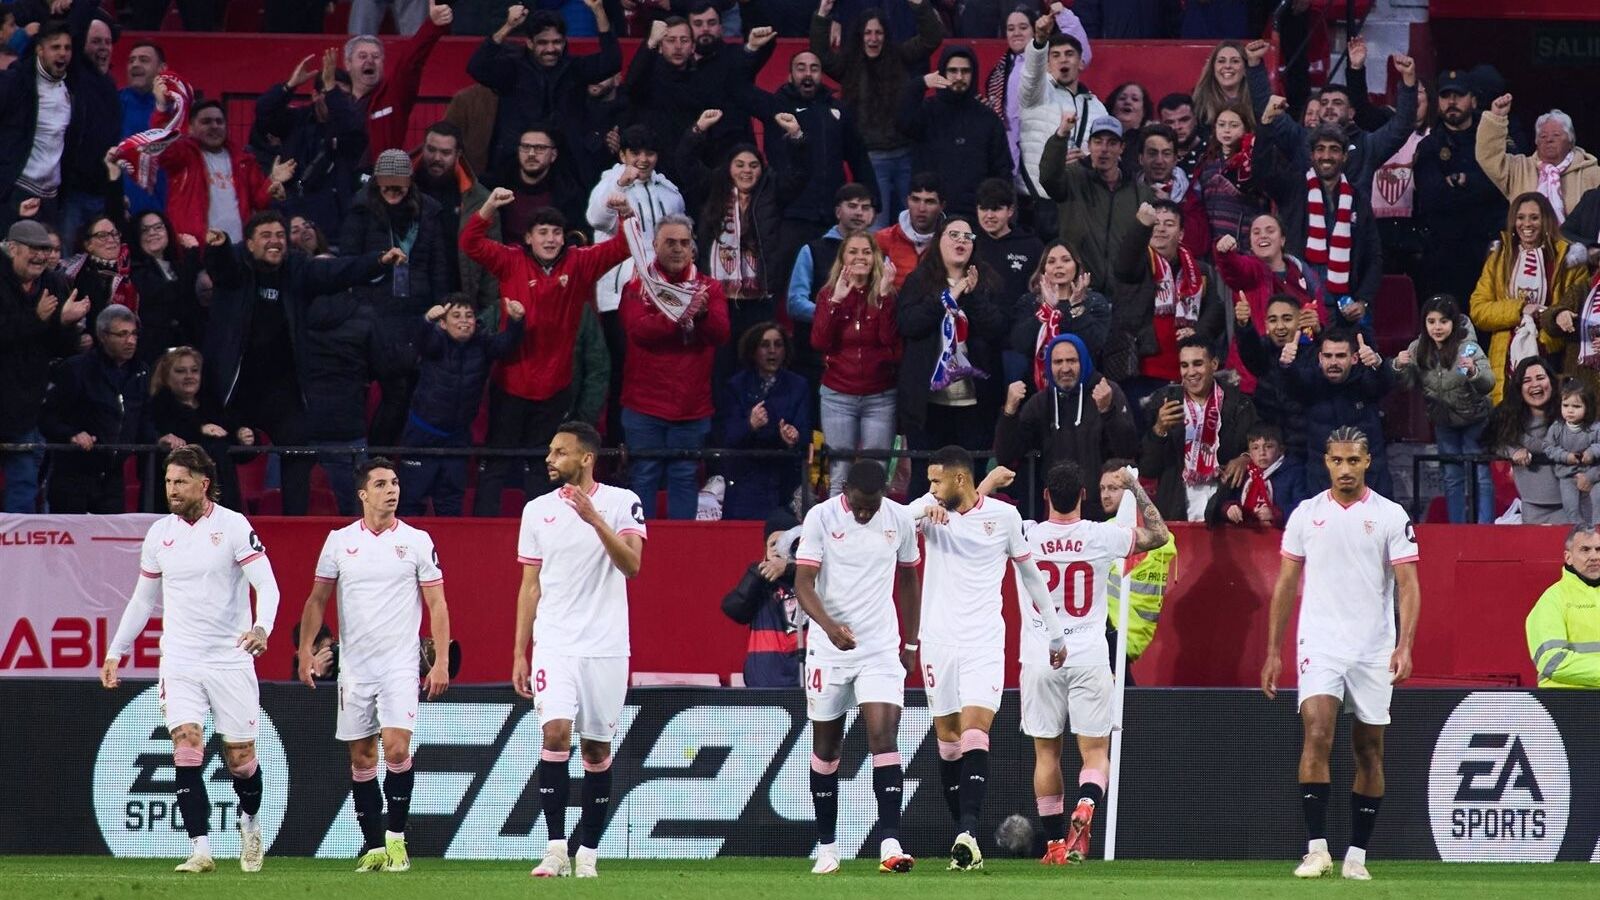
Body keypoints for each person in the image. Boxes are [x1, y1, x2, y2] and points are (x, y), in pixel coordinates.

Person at [101, 445, 282, 874]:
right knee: (186, 743)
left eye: (180, 481)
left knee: (240, 759)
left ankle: (250, 821)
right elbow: (143, 600)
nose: (172, 490)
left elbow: (267, 586)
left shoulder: (234, 526)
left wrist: (262, 629)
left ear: (203, 483)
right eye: (167, 482)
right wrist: (115, 650)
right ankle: (200, 849)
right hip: (180, 658)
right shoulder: (159, 534)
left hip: (230, 659)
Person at [1262, 426, 1420, 882]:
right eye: (1337, 461)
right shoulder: (1306, 514)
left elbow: (1409, 586)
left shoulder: (1390, 515)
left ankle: (1357, 854)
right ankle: (1317, 850)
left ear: (1368, 461)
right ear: (1326, 462)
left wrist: (1405, 644)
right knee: (1317, 731)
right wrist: (1273, 651)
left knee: (1368, 749)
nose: (1345, 469)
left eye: (1354, 461)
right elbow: (1286, 584)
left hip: (1373, 646)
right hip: (1321, 642)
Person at [912, 445, 1069, 870]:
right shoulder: (928, 510)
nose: (931, 488)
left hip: (983, 642)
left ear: (959, 480)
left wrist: (1055, 632)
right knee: (947, 739)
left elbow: (1031, 574)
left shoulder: (1003, 518)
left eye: (935, 481)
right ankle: (961, 831)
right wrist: (925, 509)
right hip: (938, 642)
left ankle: (968, 832)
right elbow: (894, 519)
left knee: (975, 731)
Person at [296, 458, 451, 872]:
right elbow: (317, 599)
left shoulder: (417, 541)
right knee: (363, 758)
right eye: (381, 484)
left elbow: (436, 602)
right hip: (356, 667)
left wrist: (440, 663)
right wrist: (304, 651)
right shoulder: (339, 541)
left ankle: (397, 841)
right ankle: (372, 847)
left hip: (400, 664)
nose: (391, 490)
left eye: (396, 483)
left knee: (397, 747)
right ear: (363, 494)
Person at [202, 212, 403, 517]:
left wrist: (378, 261)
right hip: (236, 389)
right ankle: (230, 525)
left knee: (299, 450)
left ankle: (294, 523)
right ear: (251, 244)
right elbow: (221, 267)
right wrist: (217, 248)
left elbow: (336, 271)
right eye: (267, 235)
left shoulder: (296, 269)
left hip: (283, 388)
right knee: (222, 451)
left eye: (280, 235)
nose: (275, 241)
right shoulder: (237, 269)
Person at [513, 422, 647, 878]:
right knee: (555, 734)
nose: (550, 459)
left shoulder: (622, 501)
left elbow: (632, 565)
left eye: (560, 452)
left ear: (586, 458)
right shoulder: (536, 511)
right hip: (555, 642)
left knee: (595, 749)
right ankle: (554, 849)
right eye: (550, 451)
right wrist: (519, 652)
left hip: (606, 646)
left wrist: (594, 519)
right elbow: (529, 587)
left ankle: (587, 852)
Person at [1020, 460, 1169, 864]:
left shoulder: (1025, 534)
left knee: (1046, 754)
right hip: (1088, 655)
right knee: (1095, 751)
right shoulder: (1102, 536)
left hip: (1040, 658)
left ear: (1047, 495)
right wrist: (1135, 488)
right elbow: (1159, 534)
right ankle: (1086, 803)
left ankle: (1054, 845)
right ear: (1084, 496)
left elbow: (974, 519)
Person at [460, 187, 631, 516]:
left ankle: (545, 528)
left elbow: (623, 246)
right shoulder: (510, 260)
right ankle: (483, 529)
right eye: (543, 233)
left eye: (556, 233)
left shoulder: (579, 263)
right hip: (511, 384)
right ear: (528, 238)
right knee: (497, 461)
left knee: (545, 466)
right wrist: (490, 206)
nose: (551, 239)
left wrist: (624, 212)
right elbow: (469, 242)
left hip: (555, 387)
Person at [792, 460, 921, 875]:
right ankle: (828, 846)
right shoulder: (820, 517)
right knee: (826, 748)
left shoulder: (899, 519)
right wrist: (829, 628)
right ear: (844, 491)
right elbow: (803, 583)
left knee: (883, 737)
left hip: (879, 647)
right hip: (828, 650)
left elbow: (908, 581)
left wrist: (912, 641)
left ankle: (890, 842)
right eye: (860, 506)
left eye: (872, 505)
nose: (865, 513)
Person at [676, 109, 809, 379]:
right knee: (721, 368)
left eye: (753, 165)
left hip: (759, 299)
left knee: (757, 367)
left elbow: (800, 173)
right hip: (718, 300)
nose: (746, 171)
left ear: (762, 168)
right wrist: (698, 129)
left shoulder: (772, 190)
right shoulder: (713, 186)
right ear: (729, 167)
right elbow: (684, 163)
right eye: (740, 164)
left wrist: (796, 136)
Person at [618, 213, 729, 519]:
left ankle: (680, 552)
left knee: (684, 477)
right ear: (655, 245)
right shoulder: (638, 286)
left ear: (693, 248)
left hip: (691, 406)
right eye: (670, 242)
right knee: (644, 475)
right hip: (644, 406)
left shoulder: (710, 288)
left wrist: (702, 316)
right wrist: (679, 315)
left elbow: (720, 333)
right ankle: (639, 550)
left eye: (684, 242)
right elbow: (638, 332)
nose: (678, 249)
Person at [341, 149, 452, 447]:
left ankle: (380, 457)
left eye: (398, 186)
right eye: (386, 185)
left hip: (413, 315)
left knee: (401, 391)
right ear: (376, 182)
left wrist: (440, 305)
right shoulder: (361, 210)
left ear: (410, 182)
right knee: (377, 391)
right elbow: (349, 263)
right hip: (370, 314)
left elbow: (439, 265)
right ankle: (363, 459)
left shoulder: (429, 212)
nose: (392, 192)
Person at [810, 0, 945, 228]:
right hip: (872, 159)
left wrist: (920, 5)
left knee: (914, 225)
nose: (873, 39)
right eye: (868, 33)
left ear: (886, 35)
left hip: (905, 154)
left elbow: (932, 37)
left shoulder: (899, 56)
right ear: (860, 35)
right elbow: (820, 54)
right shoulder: (849, 64)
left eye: (878, 33)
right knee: (876, 226)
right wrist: (823, 14)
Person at [896, 215, 1007, 481]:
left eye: (967, 237)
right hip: (929, 403)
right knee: (926, 482)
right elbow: (909, 325)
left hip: (974, 403)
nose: (961, 241)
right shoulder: (919, 281)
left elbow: (998, 330)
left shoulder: (987, 282)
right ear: (939, 242)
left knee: (970, 480)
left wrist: (974, 294)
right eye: (953, 235)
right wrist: (949, 297)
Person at [749, 48, 880, 264]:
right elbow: (739, 88)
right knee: (788, 282)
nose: (808, 74)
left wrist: (874, 199)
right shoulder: (775, 106)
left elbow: (858, 157)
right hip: (790, 215)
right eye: (801, 68)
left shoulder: (837, 110)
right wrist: (752, 51)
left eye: (814, 68)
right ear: (790, 75)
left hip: (829, 214)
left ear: (821, 74)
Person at [399, 297, 525, 518]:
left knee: (451, 503)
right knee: (411, 500)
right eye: (456, 316)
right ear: (443, 323)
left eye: (469, 316)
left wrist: (516, 322)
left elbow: (505, 345)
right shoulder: (435, 342)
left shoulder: (483, 343)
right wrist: (427, 320)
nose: (464, 321)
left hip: (458, 438)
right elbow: (420, 340)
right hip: (422, 435)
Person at [587, 124, 685, 391]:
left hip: (661, 294)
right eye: (635, 153)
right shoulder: (609, 184)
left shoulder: (669, 191)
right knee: (622, 368)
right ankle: (619, 433)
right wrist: (620, 184)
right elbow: (596, 219)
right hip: (619, 295)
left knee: (655, 368)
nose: (643, 159)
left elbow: (681, 239)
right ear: (623, 155)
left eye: (649, 153)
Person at [471, 1, 620, 178]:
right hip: (516, 165)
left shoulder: (574, 69)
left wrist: (598, 11)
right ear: (530, 43)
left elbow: (612, 61)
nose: (550, 49)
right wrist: (508, 26)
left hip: (567, 166)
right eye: (543, 42)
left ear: (565, 42)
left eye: (557, 42)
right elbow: (477, 67)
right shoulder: (513, 69)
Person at [0, 219, 88, 513]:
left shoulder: (52, 283)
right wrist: (36, 319)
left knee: (25, 482)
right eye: (34, 249)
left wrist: (65, 323)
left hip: (27, 404)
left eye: (46, 249)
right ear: (12, 248)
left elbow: (61, 348)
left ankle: (17, 552)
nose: (41, 256)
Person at [1469, 191, 1588, 404]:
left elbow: (1576, 310)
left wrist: (1545, 332)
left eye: (1534, 217)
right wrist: (1519, 309)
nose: (1527, 224)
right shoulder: (1498, 257)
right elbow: (1479, 310)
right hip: (1505, 358)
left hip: (1550, 356)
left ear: (1546, 220)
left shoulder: (1568, 260)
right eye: (1521, 217)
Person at [1391, 295, 1495, 523]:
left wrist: (1473, 373)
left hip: (1475, 420)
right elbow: (1407, 384)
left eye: (1444, 321)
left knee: (1480, 474)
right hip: (1444, 423)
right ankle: (1456, 528)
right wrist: (1399, 366)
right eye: (1432, 321)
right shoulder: (1418, 348)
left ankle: (1486, 527)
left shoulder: (1468, 348)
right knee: (1451, 475)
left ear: (1454, 323)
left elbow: (1489, 383)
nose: (1437, 327)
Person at [811, 230, 900, 494]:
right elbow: (819, 341)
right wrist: (836, 301)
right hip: (837, 395)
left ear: (875, 257)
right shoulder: (828, 295)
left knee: (876, 469)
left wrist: (883, 299)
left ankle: (876, 532)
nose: (860, 257)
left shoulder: (889, 295)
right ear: (843, 258)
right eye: (853, 251)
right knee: (840, 469)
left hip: (880, 395)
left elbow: (890, 342)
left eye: (866, 251)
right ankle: (838, 532)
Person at [40, 304, 151, 513]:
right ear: (103, 335)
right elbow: (47, 418)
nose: (131, 341)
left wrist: (160, 437)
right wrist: (71, 434)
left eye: (134, 334)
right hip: (74, 476)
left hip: (113, 479)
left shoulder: (141, 372)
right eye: (122, 334)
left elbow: (144, 420)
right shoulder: (75, 369)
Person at [1110, 200, 1223, 398]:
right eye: (1155, 224)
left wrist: (1197, 331)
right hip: (1141, 372)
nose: (1160, 229)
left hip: (1189, 374)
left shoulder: (1199, 270)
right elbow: (1123, 266)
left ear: (1180, 234)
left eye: (1169, 224)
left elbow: (1216, 310)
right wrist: (1140, 226)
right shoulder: (1138, 262)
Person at [149, 95, 295, 245]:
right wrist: (161, 108)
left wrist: (272, 181)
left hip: (237, 249)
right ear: (190, 128)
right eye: (206, 122)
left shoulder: (244, 161)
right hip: (195, 249)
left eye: (219, 122)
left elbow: (259, 202)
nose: (214, 126)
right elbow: (161, 147)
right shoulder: (183, 156)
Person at [1139, 337, 1257, 521]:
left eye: (1198, 364)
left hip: (1224, 512)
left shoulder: (1238, 404)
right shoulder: (1164, 403)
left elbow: (1259, 444)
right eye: (1184, 365)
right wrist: (1159, 429)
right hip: (1176, 509)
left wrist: (1245, 458)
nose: (1191, 372)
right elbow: (1148, 468)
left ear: (1214, 364)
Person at [1041, 114, 1153, 295]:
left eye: (1112, 143)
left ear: (1122, 148)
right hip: (1078, 289)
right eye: (1098, 142)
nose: (1104, 149)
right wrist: (1061, 135)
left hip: (1124, 293)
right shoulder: (1072, 179)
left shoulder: (1140, 192)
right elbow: (1048, 178)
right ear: (1089, 145)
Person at [897, 45, 1011, 217]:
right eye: (953, 70)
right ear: (943, 72)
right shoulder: (927, 111)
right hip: (931, 214)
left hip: (976, 215)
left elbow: (1002, 170)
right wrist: (920, 84)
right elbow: (902, 123)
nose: (959, 77)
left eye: (965, 71)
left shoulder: (988, 118)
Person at [1016, 14, 1104, 233]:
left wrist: (1088, 161)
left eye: (1069, 54)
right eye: (1055, 55)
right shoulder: (1036, 94)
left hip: (1079, 203)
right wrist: (1039, 42)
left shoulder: (1097, 107)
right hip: (1035, 206)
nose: (1063, 60)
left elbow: (1106, 153)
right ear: (1047, 64)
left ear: (1081, 62)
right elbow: (1031, 75)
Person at [787, 182, 878, 390]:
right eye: (852, 206)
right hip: (816, 360)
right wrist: (834, 313)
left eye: (865, 207)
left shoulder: (879, 253)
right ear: (838, 211)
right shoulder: (812, 250)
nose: (859, 213)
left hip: (863, 364)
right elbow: (794, 303)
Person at [1282, 330, 1395, 497]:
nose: (1333, 362)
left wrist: (1378, 365)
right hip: (1322, 479)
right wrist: (1287, 366)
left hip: (1370, 478)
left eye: (1341, 356)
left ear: (1354, 358)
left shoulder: (1366, 381)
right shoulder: (1311, 382)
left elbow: (1384, 383)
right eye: (1328, 356)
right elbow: (1293, 384)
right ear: (1320, 358)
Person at [343, 1, 453, 166]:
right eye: (362, 56)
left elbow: (410, 63)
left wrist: (431, 26)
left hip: (380, 183)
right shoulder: (335, 100)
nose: (370, 61)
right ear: (348, 63)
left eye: (376, 56)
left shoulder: (392, 97)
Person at [719, 322, 809, 520]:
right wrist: (749, 425)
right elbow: (728, 436)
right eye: (765, 345)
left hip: (783, 478)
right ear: (753, 351)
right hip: (746, 476)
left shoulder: (798, 385)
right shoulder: (736, 386)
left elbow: (804, 434)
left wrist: (792, 437)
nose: (772, 351)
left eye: (778, 345)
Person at [413, 121, 498, 312]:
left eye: (445, 153)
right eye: (431, 149)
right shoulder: (401, 185)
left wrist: (489, 313)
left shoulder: (479, 199)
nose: (436, 158)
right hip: (410, 297)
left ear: (458, 154)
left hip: (458, 298)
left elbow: (491, 262)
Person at [1476, 94, 1600, 224]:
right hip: (1527, 242)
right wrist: (1496, 117)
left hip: (1577, 243)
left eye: (1556, 135)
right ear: (1536, 141)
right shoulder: (1518, 169)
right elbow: (1488, 155)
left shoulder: (1592, 174)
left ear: (1571, 141)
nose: (1549, 140)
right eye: (1543, 136)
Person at [721, 510, 804, 687]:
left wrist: (790, 568)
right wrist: (756, 574)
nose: (776, 548)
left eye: (784, 542)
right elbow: (734, 610)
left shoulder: (810, 578)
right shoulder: (758, 580)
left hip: (804, 680)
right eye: (772, 543)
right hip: (765, 682)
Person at [1011, 240, 1109, 386]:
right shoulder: (1029, 301)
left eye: (1066, 260)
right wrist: (1048, 308)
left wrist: (1075, 306)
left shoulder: (1095, 301)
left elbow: (1095, 344)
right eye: (1051, 261)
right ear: (1043, 269)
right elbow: (1020, 344)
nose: (1059, 265)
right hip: (1039, 386)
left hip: (1085, 384)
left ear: (1076, 265)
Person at [1235, 293, 1314, 463]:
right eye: (1273, 320)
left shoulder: (1313, 351)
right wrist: (1244, 325)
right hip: (1271, 447)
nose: (1279, 326)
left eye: (1287, 319)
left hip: (1305, 449)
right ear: (1266, 324)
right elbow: (1251, 353)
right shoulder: (1263, 349)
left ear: (1300, 320)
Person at [1487, 358, 1564, 524]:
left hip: (1572, 505)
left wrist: (1524, 443)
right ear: (1519, 388)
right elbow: (1494, 440)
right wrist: (1513, 451)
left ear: (1551, 381)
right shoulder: (1510, 416)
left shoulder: (1569, 410)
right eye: (1527, 380)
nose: (1535, 385)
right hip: (1532, 507)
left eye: (1540, 378)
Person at [1525, 526, 1600, 688]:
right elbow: (1551, 661)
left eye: (1598, 549)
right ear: (1568, 557)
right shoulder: (1552, 600)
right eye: (1585, 550)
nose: (1594, 556)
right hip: (1567, 705)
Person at [127, 210, 205, 364]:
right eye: (145, 230)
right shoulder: (137, 270)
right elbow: (169, 294)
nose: (152, 233)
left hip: (188, 346)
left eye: (158, 227)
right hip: (156, 352)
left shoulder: (178, 266)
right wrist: (192, 254)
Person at [489, 126, 588, 245]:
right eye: (525, 147)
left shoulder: (568, 194)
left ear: (553, 155)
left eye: (540, 148)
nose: (531, 154)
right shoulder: (495, 187)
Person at [1194, 103, 1271, 246]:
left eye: (1234, 125)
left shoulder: (1253, 161)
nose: (1226, 130)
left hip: (1245, 242)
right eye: (1221, 125)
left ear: (1245, 128)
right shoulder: (1206, 162)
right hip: (1212, 241)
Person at [1213, 423, 1306, 528]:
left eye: (1269, 446)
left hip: (1279, 538)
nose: (1262, 452)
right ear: (1249, 453)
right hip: (1245, 538)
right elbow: (1222, 502)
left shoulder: (1294, 473)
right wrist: (1229, 508)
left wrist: (1277, 514)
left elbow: (1303, 509)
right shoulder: (1243, 474)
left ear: (1281, 450)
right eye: (1255, 448)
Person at [973, 178, 1043, 307]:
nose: (989, 215)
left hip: (1020, 321)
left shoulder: (1032, 246)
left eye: (996, 209)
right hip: (979, 320)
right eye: (983, 209)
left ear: (1010, 210)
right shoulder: (970, 244)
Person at [118, 41, 168, 217]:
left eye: (144, 60)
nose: (135, 65)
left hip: (166, 211)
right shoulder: (114, 103)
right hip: (123, 208)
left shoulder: (176, 108)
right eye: (131, 60)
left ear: (162, 69)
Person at [1542, 379, 1600, 525]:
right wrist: (1566, 456)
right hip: (1567, 477)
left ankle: (1595, 534)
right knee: (1571, 509)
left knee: (1595, 508)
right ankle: (1578, 534)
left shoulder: (1595, 427)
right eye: (1565, 405)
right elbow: (1548, 447)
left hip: (1592, 474)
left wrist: (1591, 453)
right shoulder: (1557, 428)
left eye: (1576, 406)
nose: (1570, 410)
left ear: (1588, 407)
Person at [875, 172, 944, 290]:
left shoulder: (952, 241)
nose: (921, 208)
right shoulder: (883, 239)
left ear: (942, 206)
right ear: (907, 201)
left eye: (929, 202)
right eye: (916, 200)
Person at [1191, 40, 1251, 129]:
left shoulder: (1257, 99)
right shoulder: (1198, 101)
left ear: (1245, 68)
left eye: (1235, 61)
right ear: (1213, 67)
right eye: (1221, 61)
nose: (1227, 66)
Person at [1157, 92, 1204, 175]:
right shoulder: (1155, 156)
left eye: (1184, 120)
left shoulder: (1212, 153)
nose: (1177, 127)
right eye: (1169, 122)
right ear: (1161, 125)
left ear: (1196, 119)